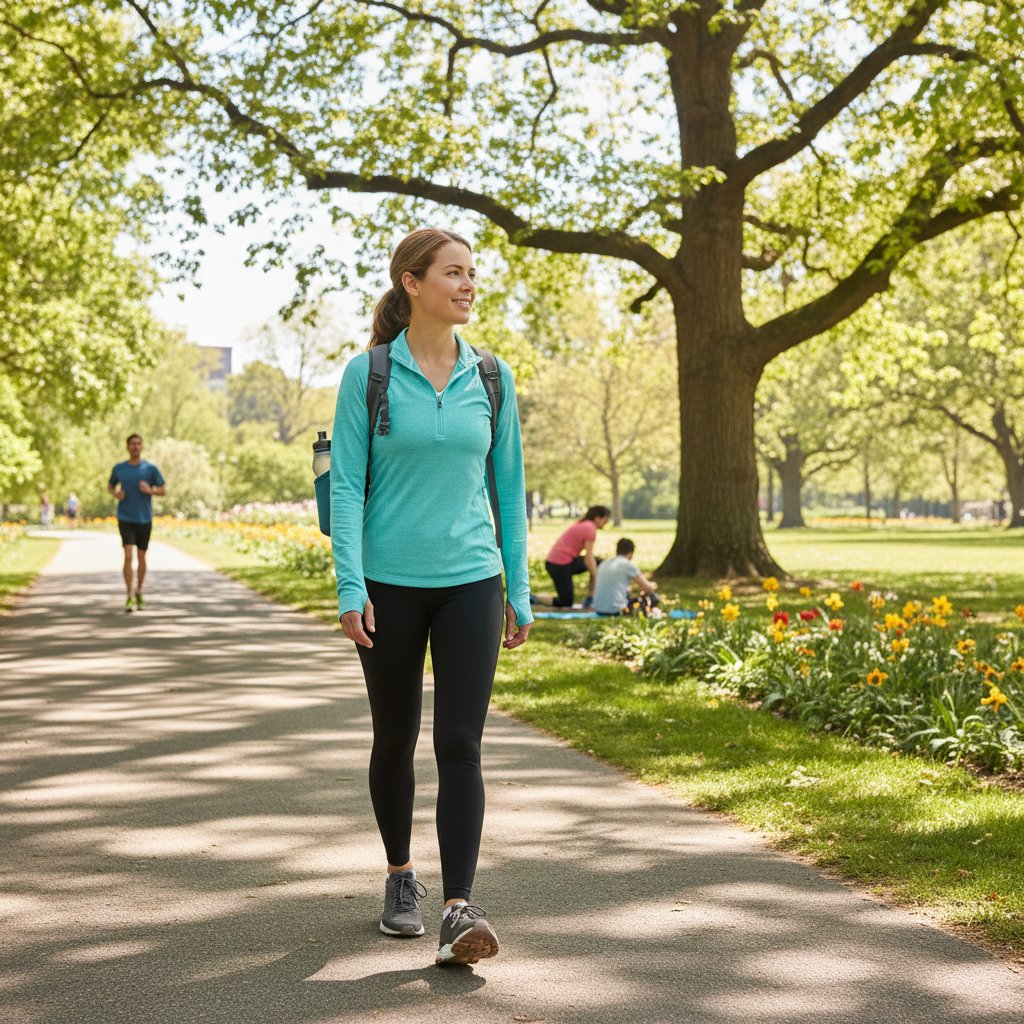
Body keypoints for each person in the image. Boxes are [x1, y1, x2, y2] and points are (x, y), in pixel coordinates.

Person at [330, 228, 532, 967]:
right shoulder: (369, 374)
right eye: (454, 273)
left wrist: (520, 586)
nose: (469, 285)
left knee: (461, 744)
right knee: (396, 738)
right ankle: (398, 878)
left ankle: (458, 909)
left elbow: (506, 486)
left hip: (472, 582)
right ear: (412, 283)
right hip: (388, 585)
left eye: (472, 273)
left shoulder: (491, 376)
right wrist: (351, 585)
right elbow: (348, 485)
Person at [108, 434, 166, 612]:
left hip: (144, 519)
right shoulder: (119, 468)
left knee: (141, 557)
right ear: (127, 447)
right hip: (125, 518)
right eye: (132, 444)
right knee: (128, 555)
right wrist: (116, 494)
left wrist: (150, 491)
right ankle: (128, 594)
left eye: (138, 443)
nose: (135, 446)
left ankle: (139, 590)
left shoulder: (150, 469)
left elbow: (163, 490)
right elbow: (110, 486)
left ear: (142, 447)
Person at [535, 505, 611, 608]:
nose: (606, 523)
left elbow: (589, 558)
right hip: (558, 565)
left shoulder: (585, 524)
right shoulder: (589, 528)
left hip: (565, 562)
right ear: (597, 518)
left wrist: (594, 573)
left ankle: (591, 597)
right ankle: (534, 598)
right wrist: (595, 575)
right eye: (605, 520)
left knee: (598, 562)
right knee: (566, 602)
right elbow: (588, 556)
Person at [593, 538, 660, 616]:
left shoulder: (604, 563)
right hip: (616, 610)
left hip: (599, 609)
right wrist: (653, 585)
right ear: (631, 552)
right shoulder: (627, 565)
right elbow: (647, 587)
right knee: (652, 597)